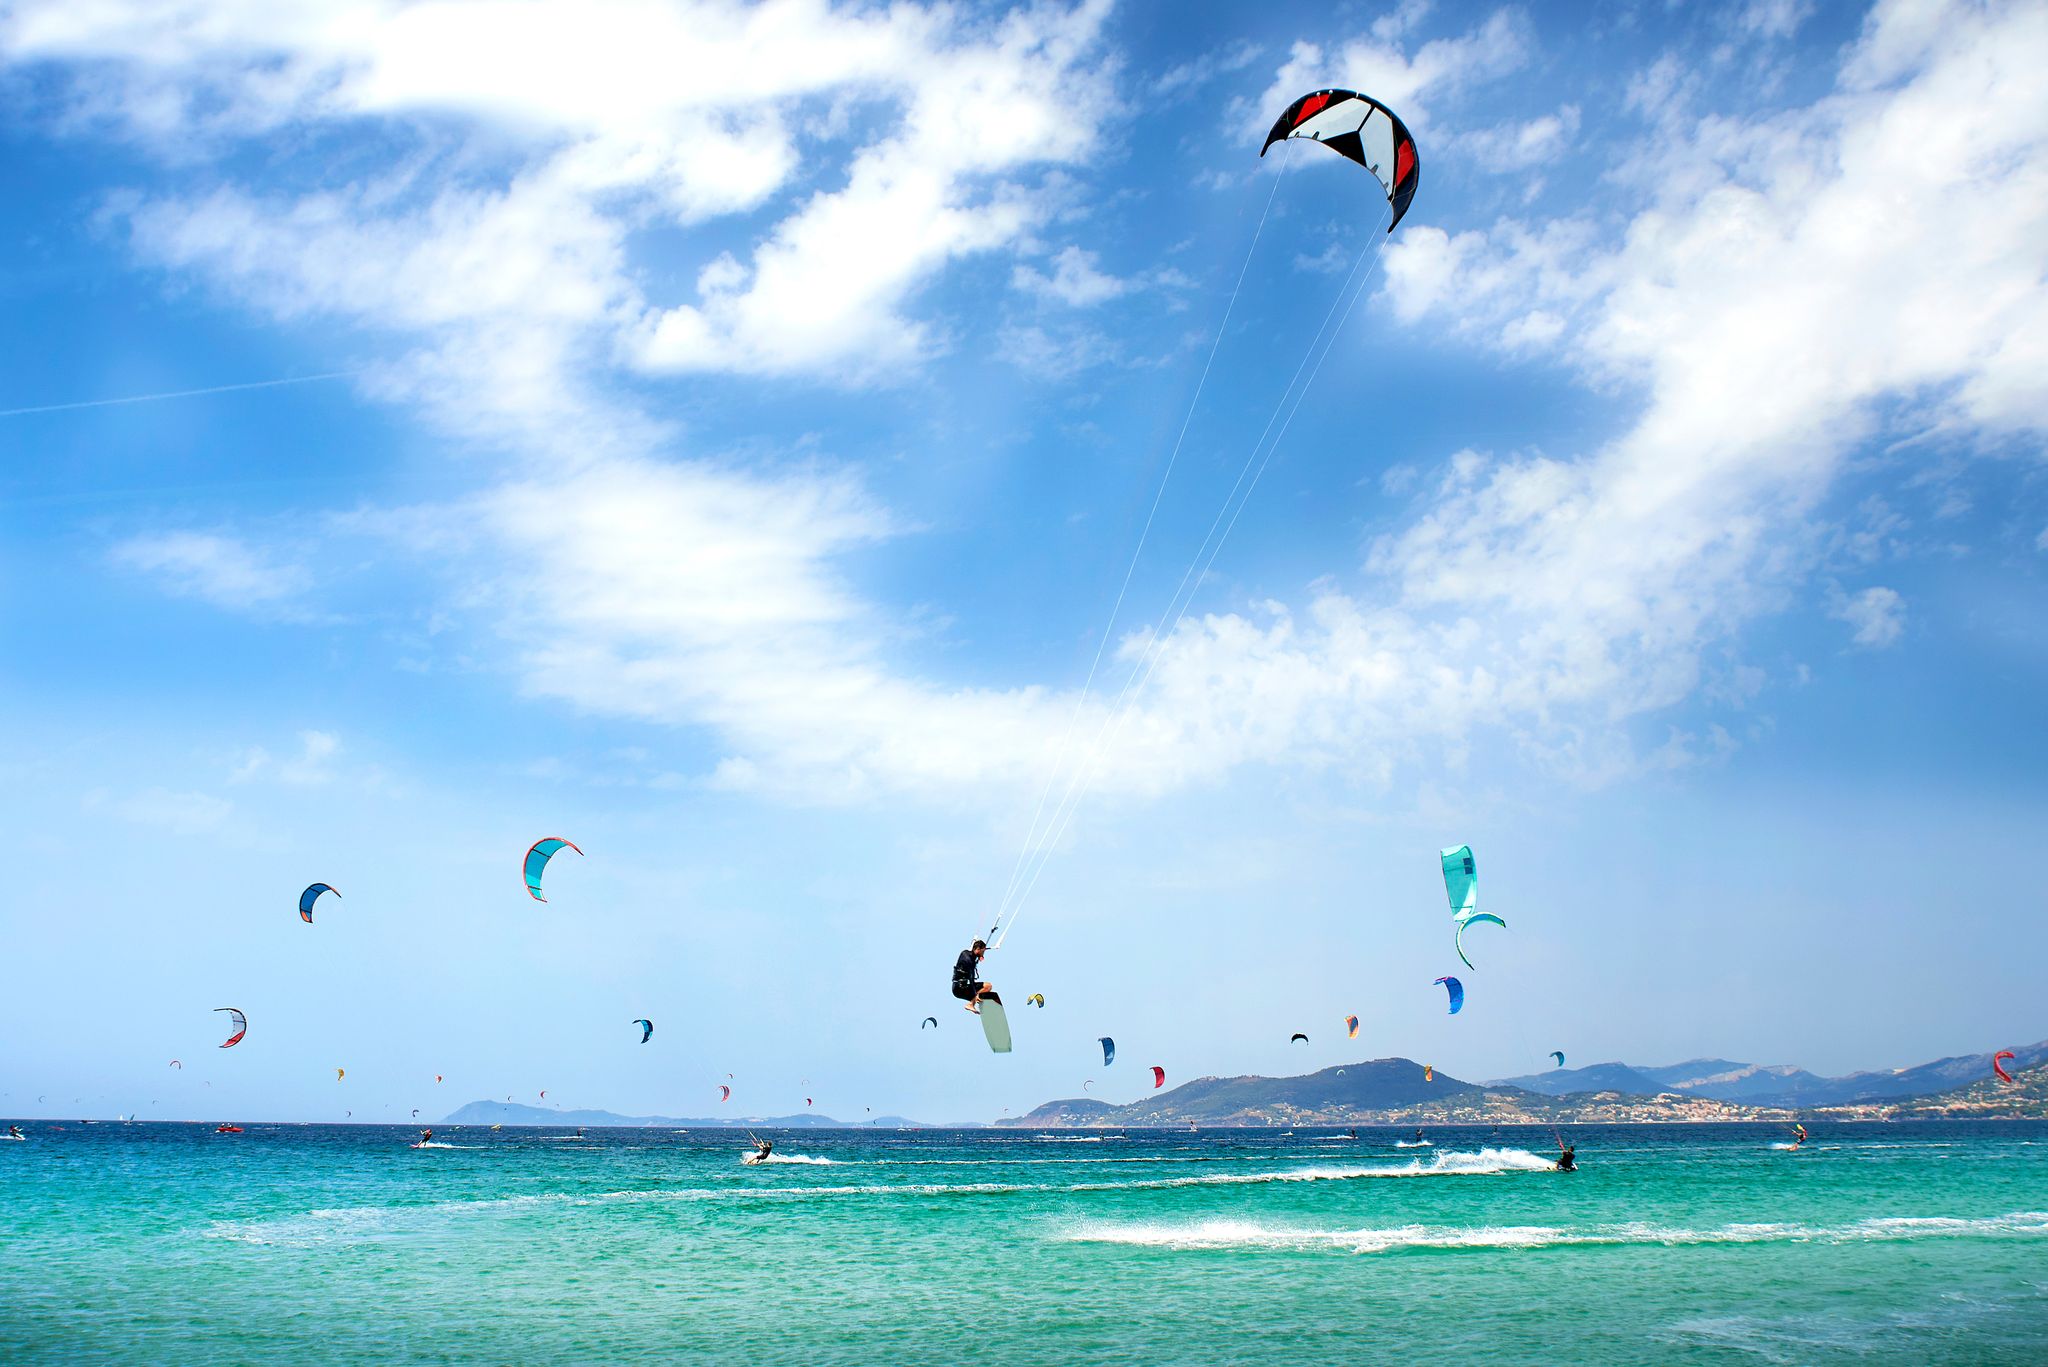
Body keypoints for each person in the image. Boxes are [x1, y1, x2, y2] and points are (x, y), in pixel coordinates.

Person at [951, 939, 1000, 1014]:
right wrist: (975, 994)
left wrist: (979, 956)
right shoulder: (969, 960)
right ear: (978, 949)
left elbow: (973, 954)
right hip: (961, 988)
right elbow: (971, 979)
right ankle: (971, 1004)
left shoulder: (965, 953)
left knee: (984, 995)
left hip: (956, 988)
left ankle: (975, 1002)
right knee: (988, 986)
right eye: (982, 951)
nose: (983, 953)